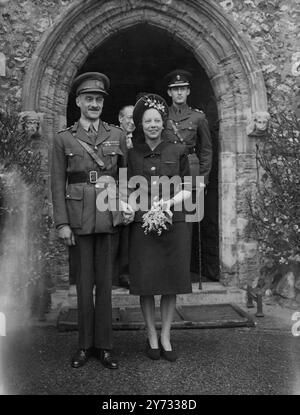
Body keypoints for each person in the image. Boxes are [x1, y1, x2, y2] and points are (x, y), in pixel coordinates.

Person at [51, 72, 133, 369]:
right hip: (79, 218)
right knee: (84, 286)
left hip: (108, 215)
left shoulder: (117, 135)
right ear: (78, 102)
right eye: (89, 99)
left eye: (99, 99)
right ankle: (84, 345)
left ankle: (105, 346)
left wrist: (124, 206)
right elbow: (56, 182)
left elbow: (123, 177)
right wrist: (62, 223)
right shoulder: (64, 138)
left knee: (106, 285)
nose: (95, 104)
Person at [127, 94, 192, 362]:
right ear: (141, 125)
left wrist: (170, 202)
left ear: (163, 122)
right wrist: (127, 206)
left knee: (169, 283)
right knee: (146, 283)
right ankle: (151, 335)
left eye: (156, 120)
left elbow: (190, 188)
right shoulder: (131, 154)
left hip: (172, 224)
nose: (152, 125)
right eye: (147, 121)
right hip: (143, 225)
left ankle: (166, 336)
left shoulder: (177, 150)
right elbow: (124, 188)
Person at [164, 70, 213, 279]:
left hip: (190, 173)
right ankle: (166, 270)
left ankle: (182, 272)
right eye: (175, 89)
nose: (179, 93)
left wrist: (202, 178)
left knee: (187, 222)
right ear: (169, 92)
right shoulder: (162, 116)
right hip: (167, 171)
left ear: (188, 91)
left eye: (182, 89)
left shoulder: (198, 117)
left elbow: (206, 150)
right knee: (165, 216)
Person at [117, 105, 135, 289]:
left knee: (134, 234)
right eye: (128, 118)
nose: (131, 122)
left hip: (138, 190)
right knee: (120, 234)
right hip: (117, 190)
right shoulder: (112, 137)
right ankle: (120, 273)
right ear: (120, 119)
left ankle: (132, 271)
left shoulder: (141, 139)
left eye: (134, 118)